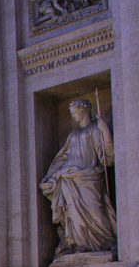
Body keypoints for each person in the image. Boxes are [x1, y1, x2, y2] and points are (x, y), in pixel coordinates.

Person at [39, 98, 117, 258]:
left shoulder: (95, 129)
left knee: (95, 210)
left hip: (90, 177)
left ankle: (107, 241)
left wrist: (106, 132)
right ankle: (81, 244)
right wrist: (51, 178)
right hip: (68, 179)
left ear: (84, 111)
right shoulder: (73, 135)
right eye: (72, 114)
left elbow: (107, 157)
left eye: (75, 113)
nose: (73, 117)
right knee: (73, 213)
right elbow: (63, 158)